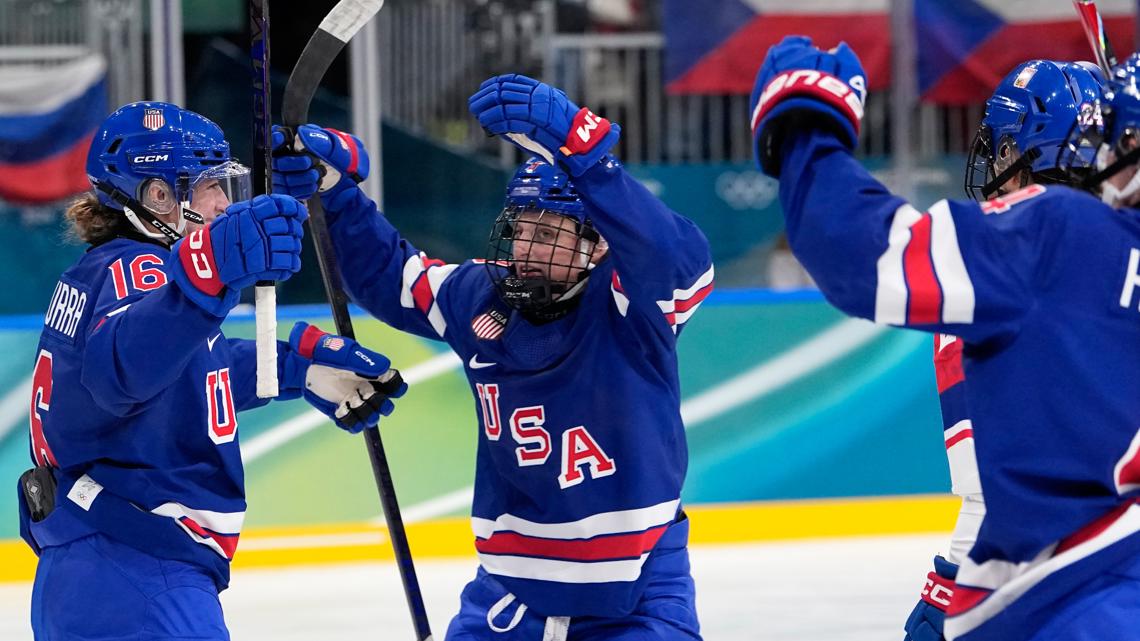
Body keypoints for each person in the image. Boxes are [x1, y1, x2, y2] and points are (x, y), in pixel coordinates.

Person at [271, 74, 712, 639]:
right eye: (521, 228)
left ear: (599, 243)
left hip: (638, 600)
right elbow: (390, 277)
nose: (526, 249)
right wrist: (336, 195)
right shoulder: (479, 296)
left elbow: (681, 258)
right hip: (506, 598)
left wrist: (586, 151)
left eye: (549, 233)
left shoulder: (633, 305)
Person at [751, 36, 1140, 641]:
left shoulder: (1051, 238)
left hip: (1078, 594)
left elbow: (863, 253)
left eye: (1008, 146)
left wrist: (806, 124)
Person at [18, 101, 405, 641]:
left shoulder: (113, 274)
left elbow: (186, 370)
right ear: (158, 196)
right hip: (139, 571)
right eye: (208, 187)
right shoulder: (140, 268)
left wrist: (297, 366)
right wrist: (210, 273)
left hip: (98, 563)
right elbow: (123, 366)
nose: (224, 202)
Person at [904, 59, 1106, 641]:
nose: (994, 166)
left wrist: (947, 602)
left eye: (1004, 149)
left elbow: (989, 493)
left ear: (1034, 156)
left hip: (1031, 581)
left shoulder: (980, 266)